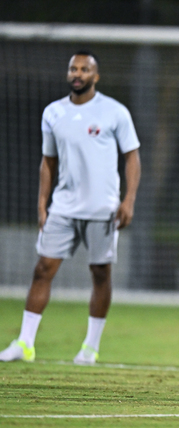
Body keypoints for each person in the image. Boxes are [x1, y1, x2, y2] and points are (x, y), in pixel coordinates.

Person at [0, 51, 141, 365]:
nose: (77, 74)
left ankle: (89, 348)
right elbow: (48, 162)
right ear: (68, 74)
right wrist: (42, 204)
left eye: (84, 69)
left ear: (96, 76)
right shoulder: (53, 112)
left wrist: (128, 199)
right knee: (42, 270)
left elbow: (132, 157)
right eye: (73, 69)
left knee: (100, 274)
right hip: (63, 207)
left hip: (103, 209)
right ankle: (25, 343)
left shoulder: (114, 112)